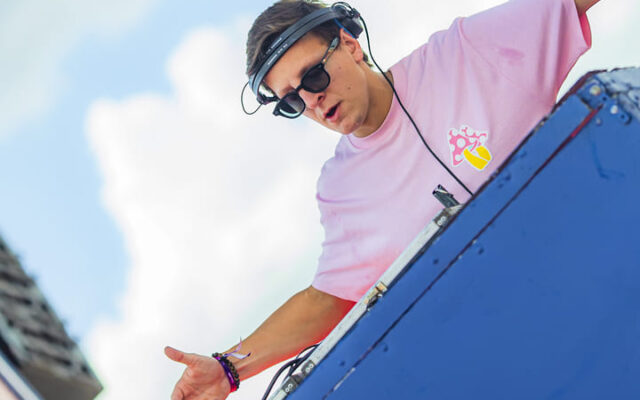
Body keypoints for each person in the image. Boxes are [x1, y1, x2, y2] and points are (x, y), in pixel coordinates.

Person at [165, 0, 598, 398]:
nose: (311, 100)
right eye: (292, 101)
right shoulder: (340, 191)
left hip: (603, 261)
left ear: (350, 45)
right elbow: (327, 300)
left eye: (313, 76)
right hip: (538, 354)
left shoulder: (468, 52)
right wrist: (228, 368)